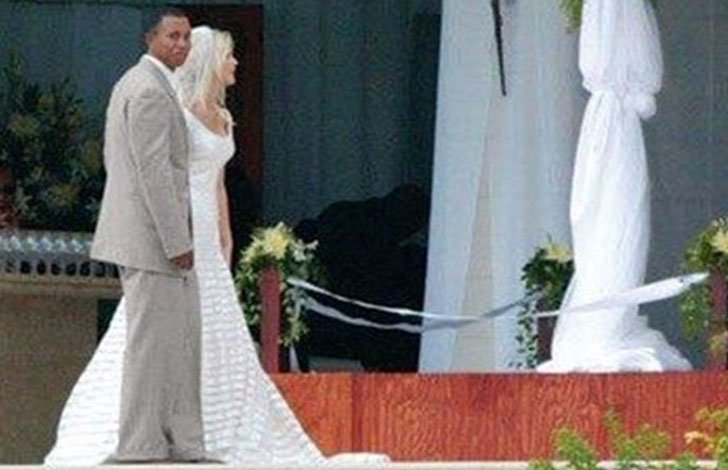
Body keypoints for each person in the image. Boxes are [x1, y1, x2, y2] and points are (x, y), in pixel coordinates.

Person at [46, 23, 388, 466]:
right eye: (229, 56)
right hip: (180, 225)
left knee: (214, 319)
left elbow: (218, 183)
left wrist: (225, 235)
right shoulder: (178, 110)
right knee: (154, 330)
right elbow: (164, 174)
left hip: (208, 227)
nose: (236, 63)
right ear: (212, 62)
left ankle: (200, 430)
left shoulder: (223, 117)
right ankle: (141, 433)